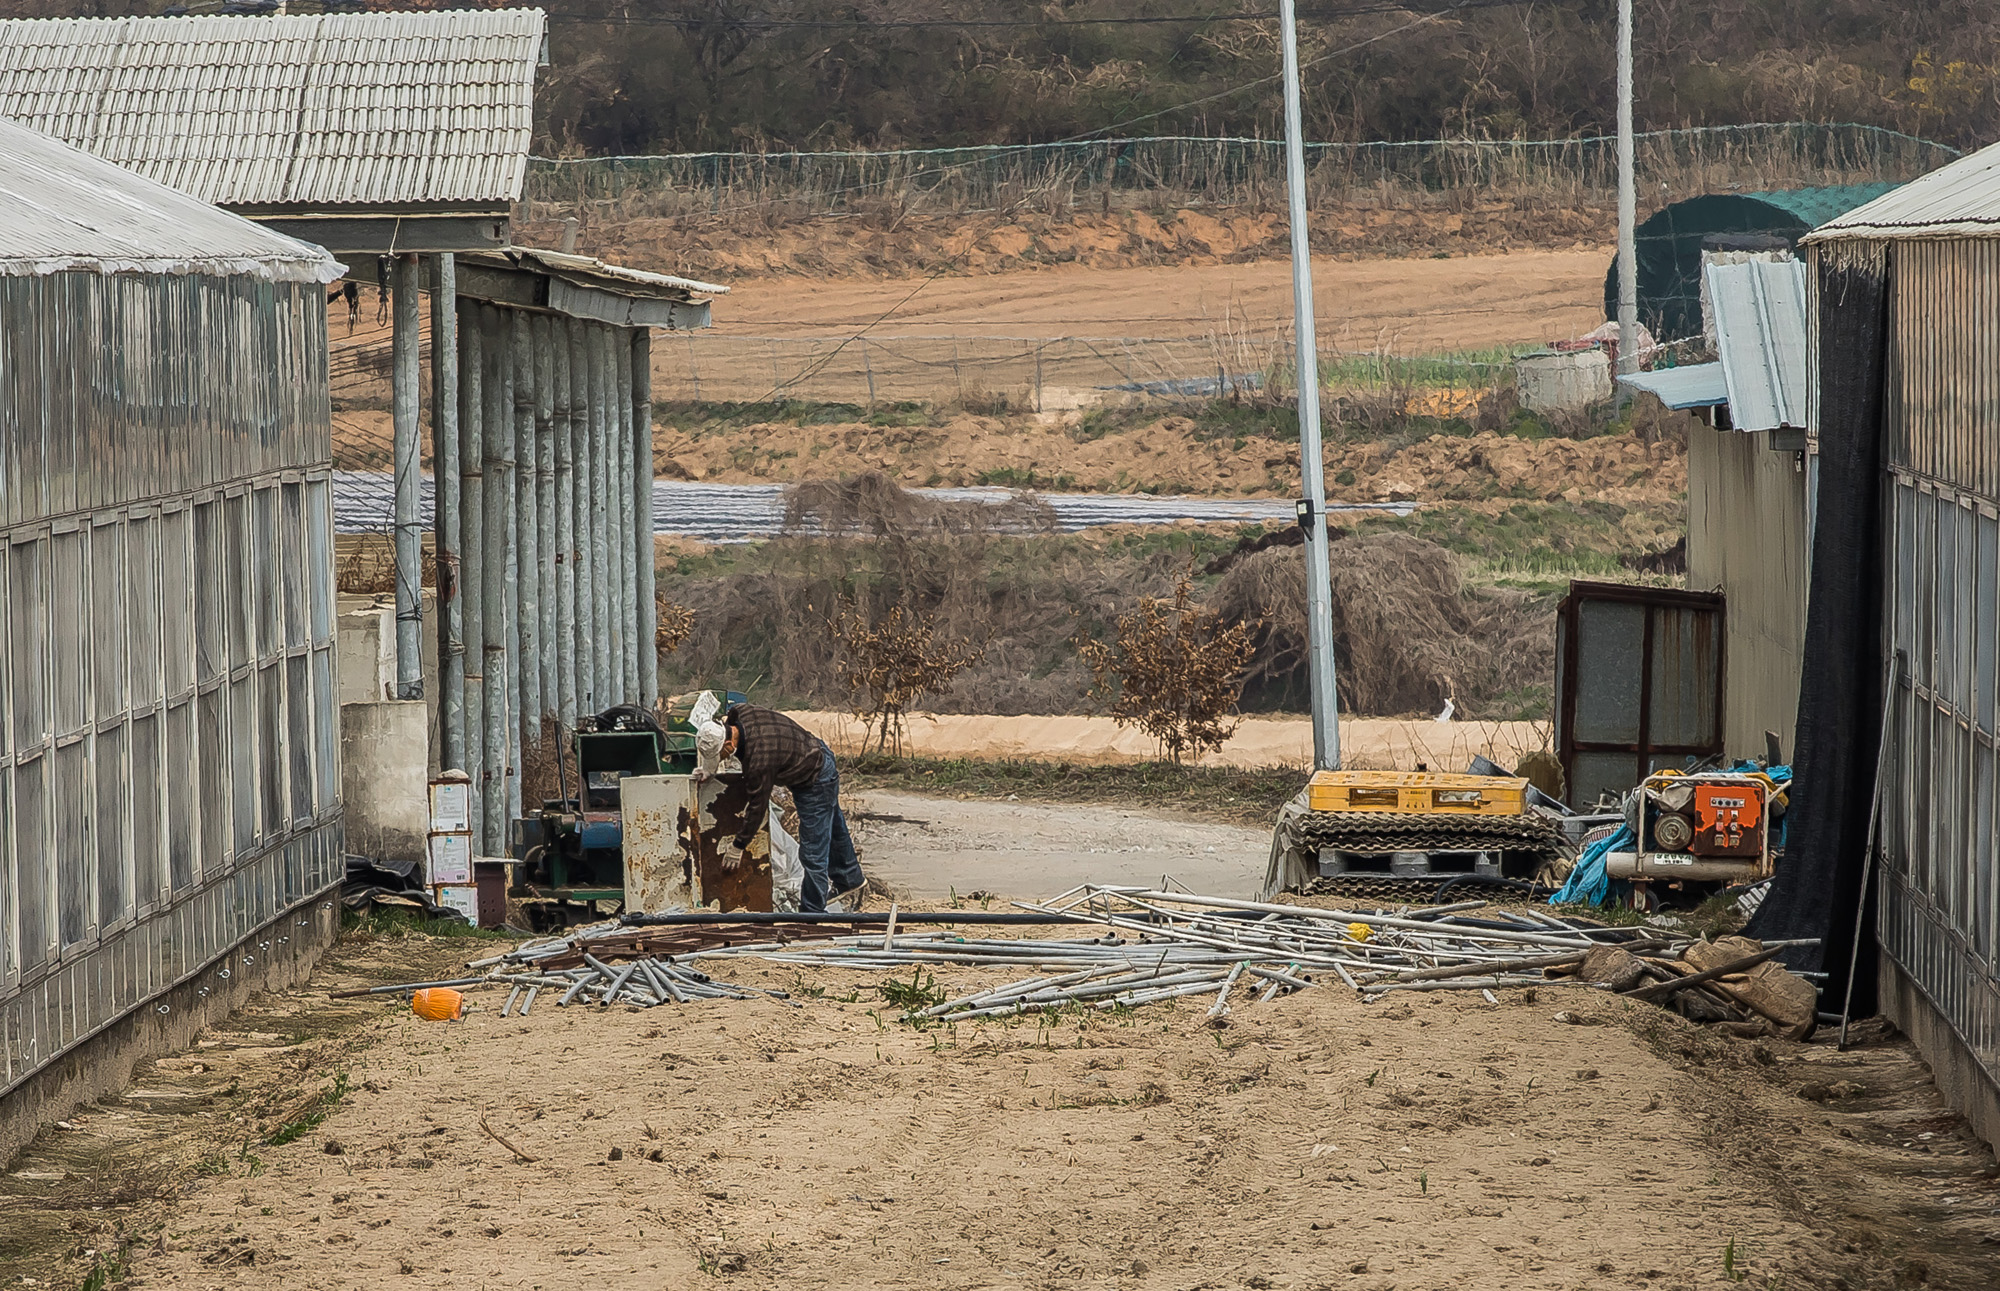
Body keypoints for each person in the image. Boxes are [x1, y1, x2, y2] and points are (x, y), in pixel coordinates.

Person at [696, 704, 864, 913]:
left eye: (721, 755)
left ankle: (811, 913)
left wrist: (738, 846)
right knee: (834, 827)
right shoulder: (739, 713)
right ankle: (849, 877)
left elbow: (757, 808)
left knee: (813, 851)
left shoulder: (759, 759)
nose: (722, 759)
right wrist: (708, 770)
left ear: (729, 744)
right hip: (815, 750)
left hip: (814, 777)